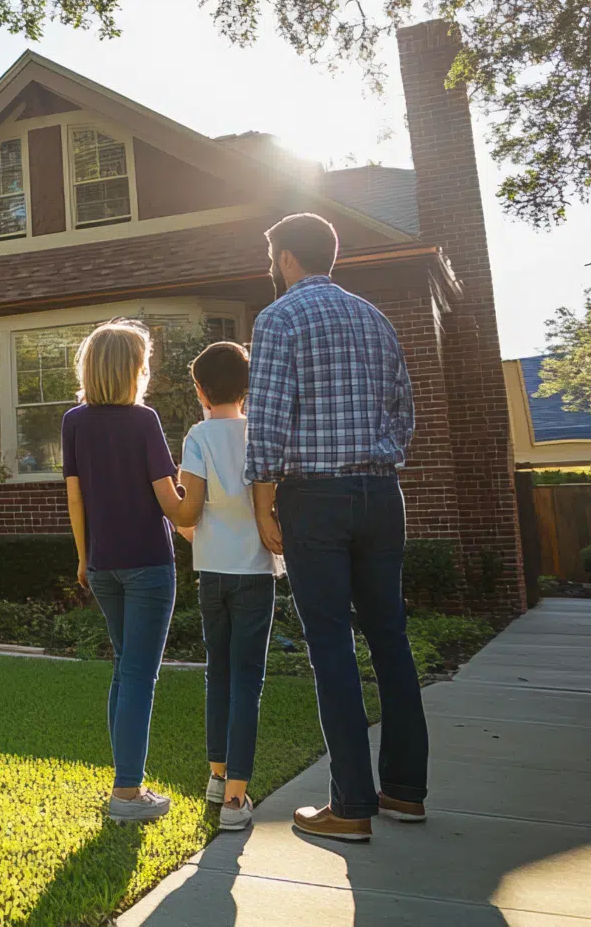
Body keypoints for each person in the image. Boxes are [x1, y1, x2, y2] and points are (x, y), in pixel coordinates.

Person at [246, 212, 427, 843]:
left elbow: (266, 418)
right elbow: (405, 407)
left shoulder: (278, 318)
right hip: (382, 493)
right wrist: (381, 458)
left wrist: (264, 503)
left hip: (315, 498)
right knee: (390, 638)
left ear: (289, 259)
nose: (271, 267)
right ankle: (404, 791)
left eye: (273, 256)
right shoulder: (374, 317)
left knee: (330, 645)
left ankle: (350, 805)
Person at [63, 320, 191, 824]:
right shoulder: (144, 422)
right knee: (139, 674)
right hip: (148, 566)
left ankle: (125, 782)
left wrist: (82, 556)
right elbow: (171, 502)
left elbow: (74, 496)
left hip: (102, 565)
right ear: (132, 371)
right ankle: (127, 793)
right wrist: (203, 501)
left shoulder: (74, 421)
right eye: (144, 364)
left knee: (124, 668)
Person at [168, 340, 275, 833]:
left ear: (200, 390)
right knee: (247, 681)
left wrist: (170, 511)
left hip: (210, 571)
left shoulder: (198, 436)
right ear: (248, 388)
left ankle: (216, 776)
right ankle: (235, 801)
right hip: (254, 570)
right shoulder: (261, 433)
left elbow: (188, 512)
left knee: (219, 672)